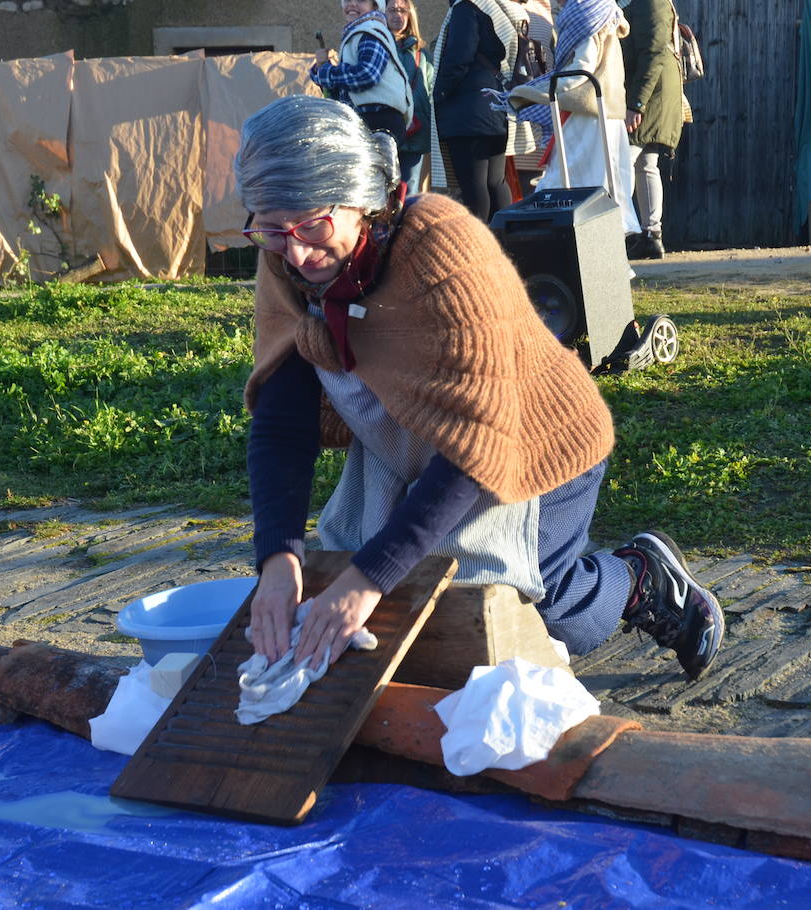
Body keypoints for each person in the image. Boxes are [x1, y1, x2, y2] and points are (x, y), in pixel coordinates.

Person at [235, 95, 723, 680]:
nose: (296, 252)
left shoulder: (442, 249)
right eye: (269, 230)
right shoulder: (288, 260)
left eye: (313, 226)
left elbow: (476, 442)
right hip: (407, 444)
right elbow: (283, 420)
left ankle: (639, 578)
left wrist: (369, 578)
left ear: (362, 201)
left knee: (523, 613)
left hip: (534, 438)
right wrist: (278, 557)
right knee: (394, 600)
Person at [505, 0, 640, 234]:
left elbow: (581, 71)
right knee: (606, 186)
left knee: (574, 186)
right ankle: (607, 256)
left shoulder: (585, 15)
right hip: (607, 111)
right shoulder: (603, 10)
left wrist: (530, 92)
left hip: (587, 114)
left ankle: (579, 253)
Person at [430, 0, 518, 221]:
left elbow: (459, 56)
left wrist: (439, 93)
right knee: (496, 182)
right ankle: (506, 241)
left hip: (467, 113)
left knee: (474, 186)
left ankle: (481, 245)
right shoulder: (493, 8)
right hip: (493, 107)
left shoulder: (465, 8)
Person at [620, 0, 685, 259]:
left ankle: (624, 233)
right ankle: (651, 235)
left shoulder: (651, 2)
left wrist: (637, 103)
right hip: (648, 90)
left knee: (623, 162)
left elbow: (654, 52)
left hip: (650, 91)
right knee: (645, 162)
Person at [312, 0, 414, 142]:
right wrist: (321, 68)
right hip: (366, 120)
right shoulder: (357, 33)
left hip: (379, 120)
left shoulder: (371, 31)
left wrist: (326, 72)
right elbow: (344, 91)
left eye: (361, 0)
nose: (352, 4)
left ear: (375, 5)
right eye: (347, 0)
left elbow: (367, 74)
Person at [387, 0, 434, 191]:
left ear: (410, 15)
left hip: (415, 131)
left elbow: (430, 90)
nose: (397, 15)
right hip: (385, 127)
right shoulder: (374, 47)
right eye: (392, 10)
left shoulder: (422, 52)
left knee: (409, 188)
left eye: (402, 11)